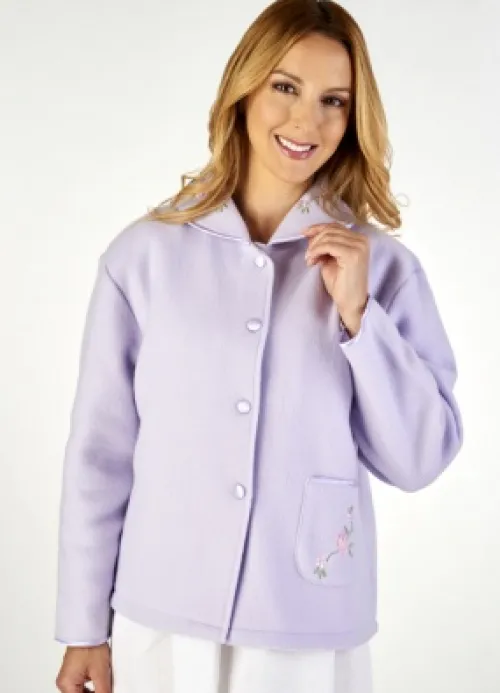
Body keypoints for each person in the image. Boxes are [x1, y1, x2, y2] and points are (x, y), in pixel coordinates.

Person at [54, 0, 464, 691]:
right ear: (243, 89)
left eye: (334, 100)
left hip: (304, 627)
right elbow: (100, 454)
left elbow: (420, 457)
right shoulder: (144, 258)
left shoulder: (382, 270)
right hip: (160, 621)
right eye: (285, 87)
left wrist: (359, 317)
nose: (307, 121)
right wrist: (83, 626)